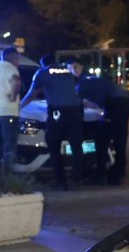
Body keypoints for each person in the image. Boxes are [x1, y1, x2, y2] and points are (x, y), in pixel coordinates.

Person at [23, 56, 85, 190]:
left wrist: (19, 106)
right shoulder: (67, 71)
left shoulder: (42, 73)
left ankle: (60, 181)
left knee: (53, 144)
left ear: (43, 64)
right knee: (76, 147)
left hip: (58, 113)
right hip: (76, 112)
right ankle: (76, 180)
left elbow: (32, 93)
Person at [77, 74, 129, 185]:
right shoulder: (96, 81)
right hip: (126, 103)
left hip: (114, 105)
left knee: (101, 140)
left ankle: (100, 174)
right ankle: (118, 173)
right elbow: (96, 103)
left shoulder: (79, 88)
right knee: (120, 139)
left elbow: (81, 103)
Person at [0, 47, 22, 172]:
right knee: (9, 146)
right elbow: (16, 81)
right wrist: (13, 96)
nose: (19, 61)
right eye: (18, 58)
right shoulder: (11, 68)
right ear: (14, 58)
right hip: (9, 111)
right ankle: (7, 177)